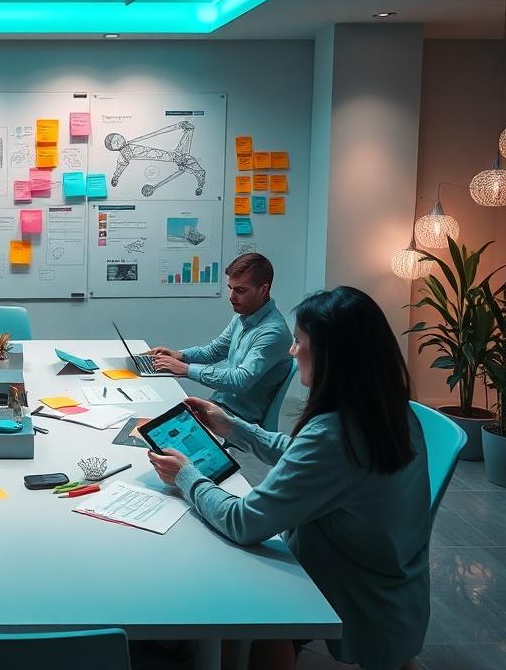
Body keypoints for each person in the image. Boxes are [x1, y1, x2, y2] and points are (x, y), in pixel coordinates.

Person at [149, 286, 429, 670]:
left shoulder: (334, 434)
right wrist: (233, 426)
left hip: (349, 582)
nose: (293, 351)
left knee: (229, 572)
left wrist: (186, 476)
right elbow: (302, 454)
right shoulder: (387, 410)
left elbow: (244, 522)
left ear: (331, 353)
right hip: (394, 575)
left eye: (299, 341)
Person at [145, 253, 292, 424]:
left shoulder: (273, 332)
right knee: (152, 417)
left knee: (153, 426)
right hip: (219, 406)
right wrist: (179, 355)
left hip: (237, 420)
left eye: (240, 290)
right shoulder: (243, 316)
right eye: (230, 288)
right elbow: (214, 351)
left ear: (264, 290)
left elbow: (240, 381)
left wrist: (185, 369)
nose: (231, 297)